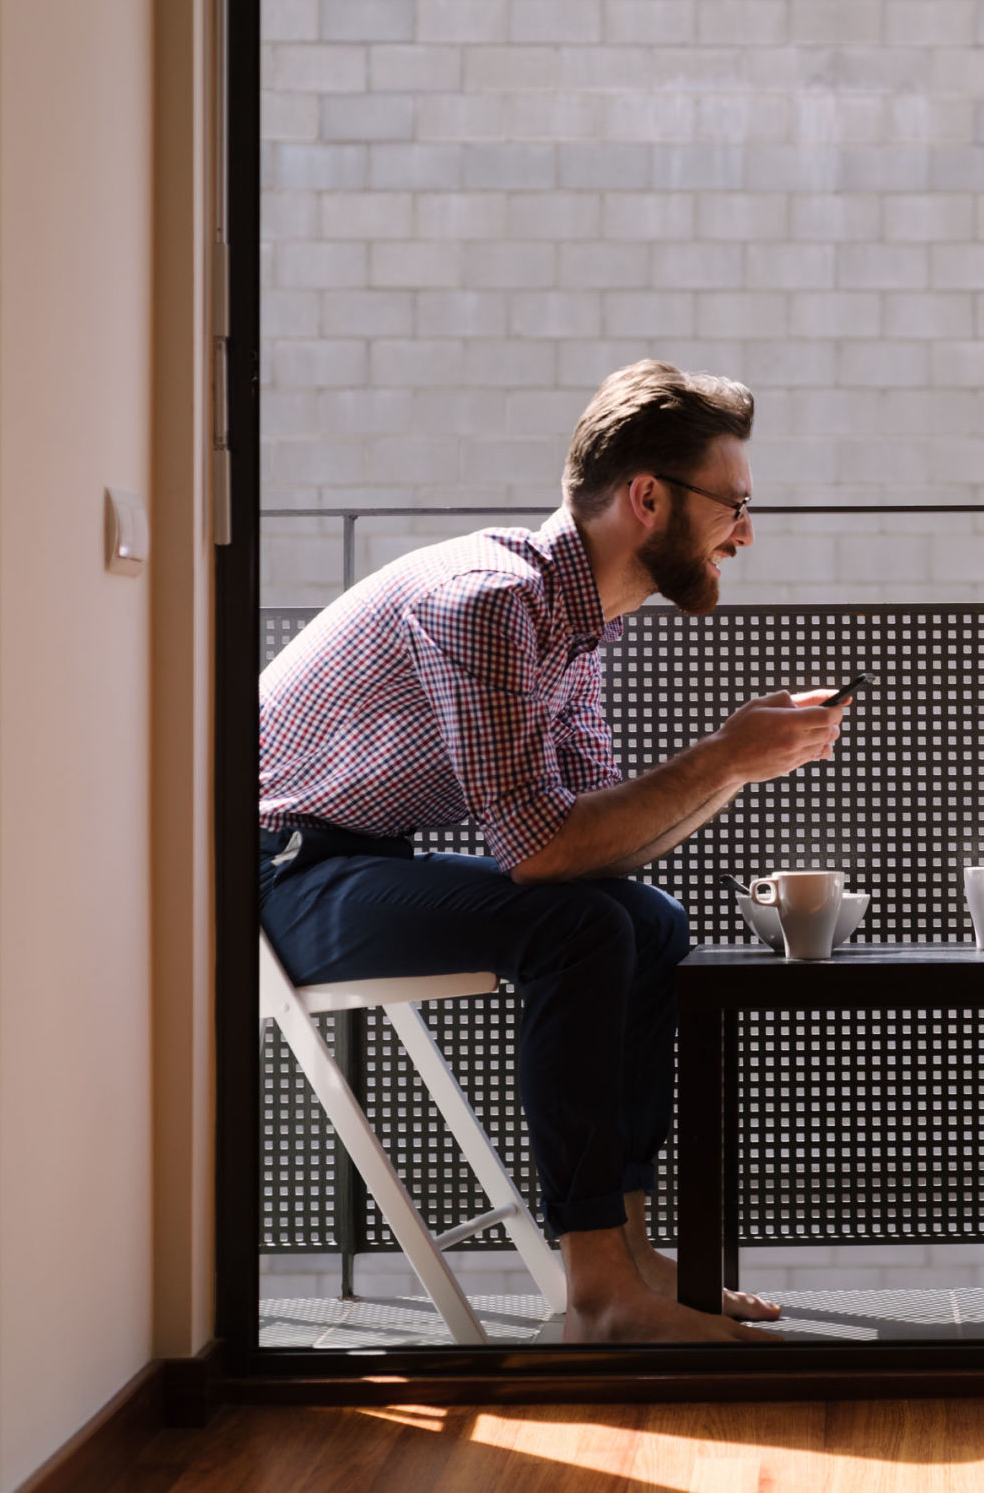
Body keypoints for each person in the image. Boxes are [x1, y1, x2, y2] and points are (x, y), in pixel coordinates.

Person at [259, 359, 848, 1344]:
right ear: (648, 497)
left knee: (647, 919)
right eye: (734, 504)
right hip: (279, 875)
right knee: (578, 929)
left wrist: (736, 768)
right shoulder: (489, 602)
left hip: (354, 854)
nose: (746, 531)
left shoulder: (571, 626)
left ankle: (632, 1253)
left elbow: (594, 841)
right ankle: (598, 1293)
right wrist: (720, 754)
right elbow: (541, 851)